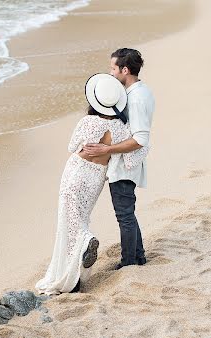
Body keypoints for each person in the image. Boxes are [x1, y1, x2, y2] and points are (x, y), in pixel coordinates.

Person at [36, 74, 148, 295]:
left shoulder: (87, 122)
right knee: (81, 217)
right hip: (96, 177)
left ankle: (83, 248)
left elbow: (72, 146)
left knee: (69, 222)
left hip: (76, 172)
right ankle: (76, 269)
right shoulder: (120, 128)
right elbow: (137, 151)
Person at [84, 48, 155, 268]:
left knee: (124, 216)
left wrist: (106, 150)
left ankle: (129, 263)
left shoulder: (136, 99)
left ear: (125, 70)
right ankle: (138, 256)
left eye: (113, 69)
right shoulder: (138, 92)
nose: (111, 74)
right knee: (128, 214)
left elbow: (140, 139)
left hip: (127, 164)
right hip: (126, 163)